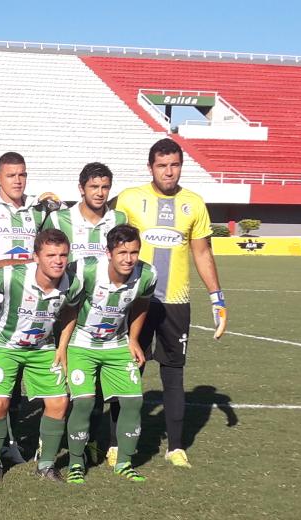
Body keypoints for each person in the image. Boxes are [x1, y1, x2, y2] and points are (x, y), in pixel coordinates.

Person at [114, 138, 227, 468]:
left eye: (174, 165)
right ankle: (113, 441)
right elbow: (111, 241)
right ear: (150, 167)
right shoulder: (130, 199)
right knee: (127, 370)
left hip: (176, 301)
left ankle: (176, 447)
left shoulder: (194, 203)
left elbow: (203, 252)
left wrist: (217, 298)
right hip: (136, 299)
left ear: (181, 166)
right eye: (162, 165)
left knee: (174, 374)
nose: (169, 171)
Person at [0, 151, 57, 468]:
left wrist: (51, 204)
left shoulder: (35, 212)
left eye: (22, 175)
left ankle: (6, 442)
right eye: (11, 175)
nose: (17, 180)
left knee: (10, 381)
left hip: (23, 309)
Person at [57, 224, 157, 483]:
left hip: (117, 344)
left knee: (133, 401)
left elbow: (142, 303)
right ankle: (76, 462)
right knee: (84, 402)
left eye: (134, 252)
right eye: (122, 252)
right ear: (108, 252)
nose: (129, 259)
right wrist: (63, 347)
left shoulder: (147, 274)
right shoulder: (86, 270)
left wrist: (134, 339)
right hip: (82, 343)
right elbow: (69, 309)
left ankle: (124, 461)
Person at [0, 229, 80, 483]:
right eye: (50, 255)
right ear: (35, 257)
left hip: (42, 348)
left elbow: (72, 310)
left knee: (59, 402)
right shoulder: (12, 276)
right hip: (5, 346)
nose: (58, 261)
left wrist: (62, 346)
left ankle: (46, 465)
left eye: (62, 255)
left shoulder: (72, 282)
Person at [50, 162, 126, 262]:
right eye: (94, 187)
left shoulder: (119, 219)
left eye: (105, 187)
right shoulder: (58, 219)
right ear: (81, 189)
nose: (100, 193)